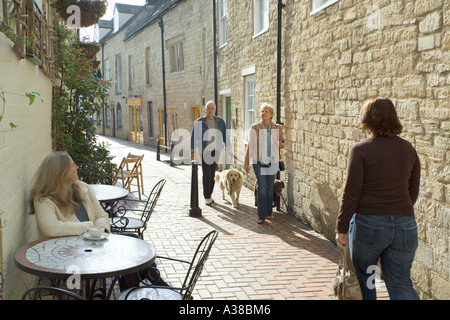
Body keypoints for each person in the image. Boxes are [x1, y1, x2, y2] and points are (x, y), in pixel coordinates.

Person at [335, 97, 421, 300]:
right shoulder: (408, 149)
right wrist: (399, 212)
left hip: (369, 224)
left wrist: (341, 227)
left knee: (366, 278)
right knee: (400, 282)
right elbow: (413, 190)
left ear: (368, 119)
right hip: (405, 225)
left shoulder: (361, 149)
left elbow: (351, 193)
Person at [29, 151, 110, 238]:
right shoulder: (43, 200)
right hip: (61, 249)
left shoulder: (84, 188)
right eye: (72, 165)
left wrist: (97, 231)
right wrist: (90, 226)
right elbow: (51, 228)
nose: (77, 167)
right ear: (61, 173)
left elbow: (102, 215)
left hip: (92, 245)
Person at [244, 103, 285, 224]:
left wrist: (281, 143)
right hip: (258, 161)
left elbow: (282, 143)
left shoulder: (278, 128)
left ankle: (269, 212)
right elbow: (250, 145)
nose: (263, 114)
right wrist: (246, 162)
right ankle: (261, 215)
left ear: (271, 114)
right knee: (262, 187)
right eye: (262, 111)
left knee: (269, 188)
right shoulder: (255, 127)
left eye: (266, 111)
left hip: (273, 161)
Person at [190, 101, 231, 205]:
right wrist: (192, 151)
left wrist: (229, 148)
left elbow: (225, 136)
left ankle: (210, 194)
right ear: (205, 109)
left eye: (212, 108)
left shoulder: (220, 121)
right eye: (208, 108)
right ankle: (207, 196)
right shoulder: (199, 122)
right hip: (205, 151)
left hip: (217, 151)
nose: (210, 110)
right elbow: (193, 137)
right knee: (206, 173)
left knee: (212, 174)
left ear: (215, 110)